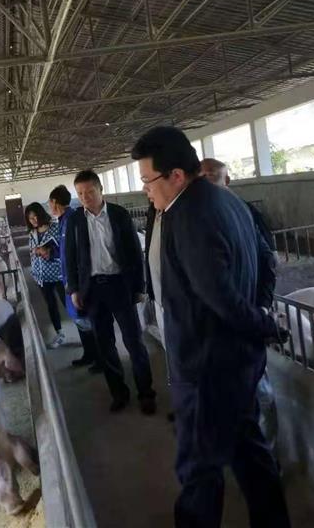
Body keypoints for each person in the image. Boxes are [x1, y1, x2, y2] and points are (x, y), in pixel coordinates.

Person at [132, 127, 290, 528]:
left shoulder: (186, 217)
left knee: (199, 472)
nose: (145, 191)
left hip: (205, 369)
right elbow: (264, 263)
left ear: (176, 176)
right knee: (250, 454)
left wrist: (264, 323)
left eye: (148, 180)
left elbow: (219, 299)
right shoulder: (228, 201)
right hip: (239, 363)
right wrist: (261, 315)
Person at [200, 157, 279, 454]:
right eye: (201, 177)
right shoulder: (197, 218)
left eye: (212, 176)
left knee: (260, 390)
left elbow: (268, 261)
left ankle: (268, 454)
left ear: (227, 180)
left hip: (246, 317)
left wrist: (262, 307)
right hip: (217, 324)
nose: (206, 182)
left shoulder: (245, 213)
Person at [65, 169, 156, 414]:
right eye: (80, 193)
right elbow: (70, 257)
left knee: (134, 341)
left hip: (119, 285)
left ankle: (146, 393)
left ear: (100, 189)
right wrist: (74, 289)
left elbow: (134, 253)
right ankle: (119, 393)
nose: (85, 197)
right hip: (92, 290)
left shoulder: (118, 214)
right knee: (105, 344)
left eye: (89, 191)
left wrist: (139, 287)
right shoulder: (75, 220)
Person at [48, 185, 101, 372]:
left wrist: (76, 284)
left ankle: (101, 358)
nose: (49, 206)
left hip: (78, 281)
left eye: (50, 203)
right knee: (80, 320)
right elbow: (65, 251)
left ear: (55, 202)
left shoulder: (73, 219)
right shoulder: (63, 220)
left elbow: (79, 253)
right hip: (69, 280)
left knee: (89, 320)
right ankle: (89, 354)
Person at [25, 202, 66, 349]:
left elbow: (64, 249)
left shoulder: (55, 228)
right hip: (42, 277)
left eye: (36, 216)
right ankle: (59, 333)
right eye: (31, 218)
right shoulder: (32, 233)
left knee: (68, 303)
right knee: (51, 305)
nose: (34, 220)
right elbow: (32, 251)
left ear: (41, 214)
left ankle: (85, 331)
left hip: (58, 274)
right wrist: (35, 251)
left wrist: (50, 252)